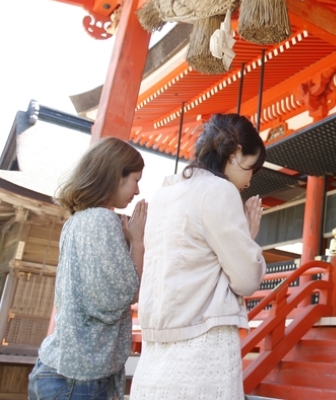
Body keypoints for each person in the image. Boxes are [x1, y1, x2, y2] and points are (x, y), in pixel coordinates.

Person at [130, 113, 267, 400]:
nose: (250, 180)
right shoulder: (220, 191)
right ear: (235, 153)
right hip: (200, 355)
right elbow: (244, 279)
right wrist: (248, 235)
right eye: (251, 168)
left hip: (155, 358)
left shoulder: (164, 195)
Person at [28, 137, 147, 400]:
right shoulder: (103, 219)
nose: (137, 190)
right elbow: (127, 292)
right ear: (116, 176)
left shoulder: (76, 221)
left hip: (56, 367)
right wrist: (137, 242)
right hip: (78, 378)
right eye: (135, 180)